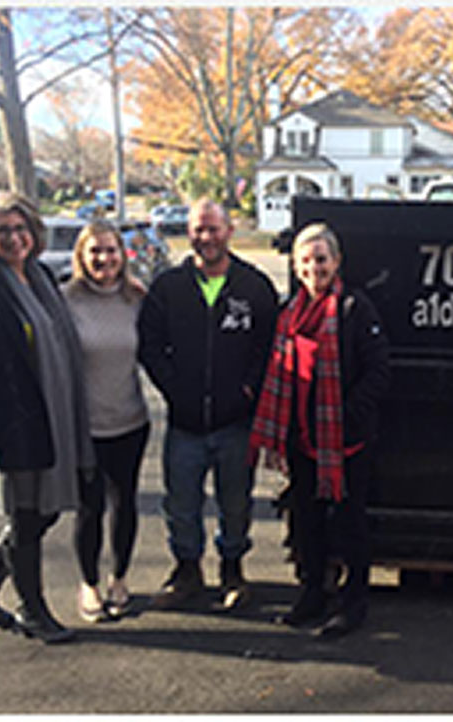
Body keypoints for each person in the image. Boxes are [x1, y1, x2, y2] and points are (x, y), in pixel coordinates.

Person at [249, 222, 390, 638]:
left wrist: (346, 414)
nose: (314, 268)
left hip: (344, 441)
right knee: (307, 522)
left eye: (322, 259)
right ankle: (312, 593)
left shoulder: (353, 309)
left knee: (349, 524)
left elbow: (379, 371)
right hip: (302, 439)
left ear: (337, 261)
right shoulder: (288, 313)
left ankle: (353, 603)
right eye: (306, 261)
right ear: (295, 266)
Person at [137, 198, 278, 609]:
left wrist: (248, 389)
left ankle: (233, 571)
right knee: (181, 504)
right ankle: (187, 571)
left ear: (229, 231)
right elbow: (150, 345)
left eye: (214, 229)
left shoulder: (253, 287)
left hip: (236, 423)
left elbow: (267, 347)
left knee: (236, 504)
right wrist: (173, 389)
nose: (206, 237)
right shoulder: (169, 287)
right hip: (185, 424)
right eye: (199, 229)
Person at [0, 190, 95, 644]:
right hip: (12, 424)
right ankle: (32, 609)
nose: (14, 237)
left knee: (43, 513)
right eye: (2, 230)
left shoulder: (40, 276)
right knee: (27, 517)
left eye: (20, 227)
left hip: (55, 417)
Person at [61, 220, 150, 622]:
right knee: (89, 508)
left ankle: (119, 579)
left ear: (122, 254)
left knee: (125, 505)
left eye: (111, 250)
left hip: (130, 420)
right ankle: (89, 585)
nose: (104, 259)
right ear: (82, 255)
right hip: (85, 428)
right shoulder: (66, 300)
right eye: (95, 251)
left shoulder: (136, 298)